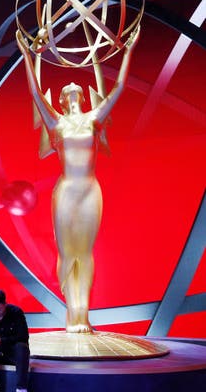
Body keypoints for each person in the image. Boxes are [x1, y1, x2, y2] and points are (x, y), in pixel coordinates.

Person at [15, 27, 139, 333]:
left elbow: (119, 88)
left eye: (76, 93)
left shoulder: (94, 119)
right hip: (66, 191)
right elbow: (34, 93)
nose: (72, 96)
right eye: (67, 94)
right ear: (61, 98)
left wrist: (128, 51)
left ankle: (84, 313)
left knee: (86, 252)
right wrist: (27, 56)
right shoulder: (56, 124)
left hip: (89, 191)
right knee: (67, 252)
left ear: (82, 97)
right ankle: (72, 313)